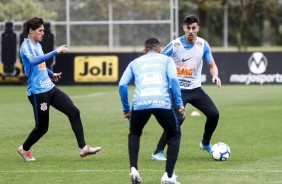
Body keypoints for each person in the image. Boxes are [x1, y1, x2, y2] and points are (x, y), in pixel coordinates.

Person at [17, 17, 101, 161]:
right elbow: (33, 61)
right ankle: (24, 149)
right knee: (42, 128)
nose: (43, 33)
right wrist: (55, 51)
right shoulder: (26, 47)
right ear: (30, 31)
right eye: (40, 31)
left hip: (50, 88)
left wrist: (51, 73)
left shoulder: (37, 44)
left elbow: (40, 64)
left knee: (73, 112)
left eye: (43, 30)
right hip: (38, 93)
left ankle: (83, 148)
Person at [151, 15, 221, 161]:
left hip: (195, 89)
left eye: (193, 28)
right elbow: (160, 60)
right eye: (188, 28)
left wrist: (215, 76)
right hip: (177, 90)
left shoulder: (203, 45)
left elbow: (211, 65)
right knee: (178, 120)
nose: (191, 31)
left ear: (198, 29)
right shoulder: (175, 45)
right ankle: (157, 152)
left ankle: (205, 143)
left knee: (214, 114)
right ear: (184, 28)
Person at [119, 38, 185, 184]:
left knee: (135, 133)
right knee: (174, 134)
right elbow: (174, 79)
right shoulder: (166, 60)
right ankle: (168, 176)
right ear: (160, 50)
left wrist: (126, 109)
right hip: (162, 102)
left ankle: (134, 169)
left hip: (140, 103)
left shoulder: (135, 62)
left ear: (144, 51)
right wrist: (179, 103)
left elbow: (122, 84)